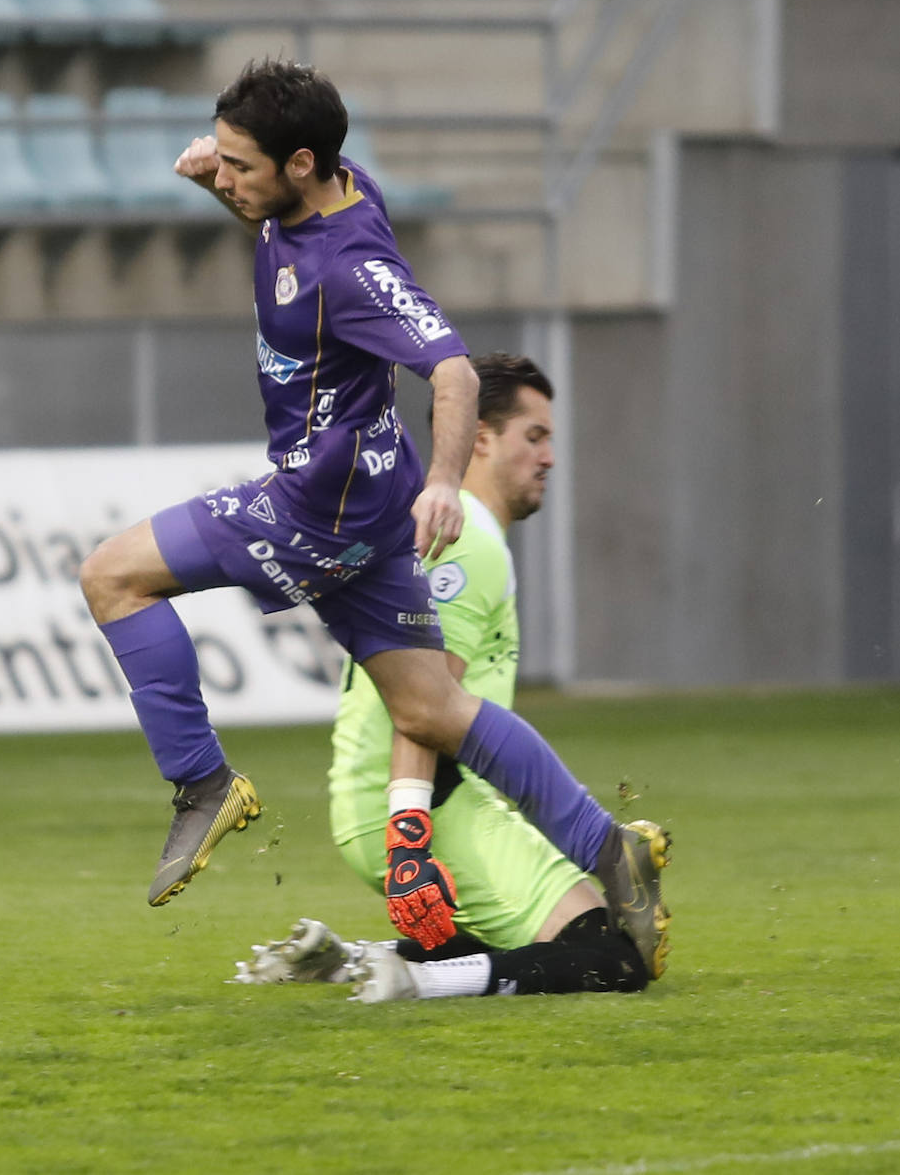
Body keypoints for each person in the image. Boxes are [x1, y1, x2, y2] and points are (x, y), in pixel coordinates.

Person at [78, 59, 663, 966]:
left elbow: (455, 370)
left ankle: (204, 786)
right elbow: (274, 227)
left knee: (111, 576)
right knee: (432, 710)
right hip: (371, 511)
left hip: (318, 510)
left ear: (302, 163)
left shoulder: (353, 266)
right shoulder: (330, 194)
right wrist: (218, 187)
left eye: (240, 165)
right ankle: (605, 848)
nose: (224, 176)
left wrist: (444, 480)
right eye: (221, 159)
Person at [234, 354, 664, 1000]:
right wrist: (409, 840)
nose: (548, 456)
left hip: (396, 798)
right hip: (423, 803)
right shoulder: (465, 539)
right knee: (614, 958)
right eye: (534, 436)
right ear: (481, 438)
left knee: (524, 940)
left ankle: (344, 959)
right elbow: (419, 706)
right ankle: (410, 981)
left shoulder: (448, 527)